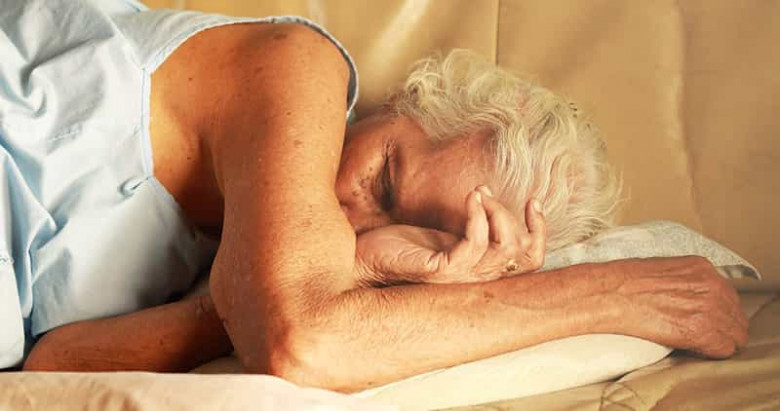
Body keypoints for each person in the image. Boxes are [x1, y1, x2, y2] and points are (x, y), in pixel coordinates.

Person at [2, 0, 746, 392]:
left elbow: (53, 363)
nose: (350, 220)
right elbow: (303, 341)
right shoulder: (297, 67)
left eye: (420, 233)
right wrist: (613, 294)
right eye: (384, 178)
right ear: (398, 106)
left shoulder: (232, 260)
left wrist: (361, 272)